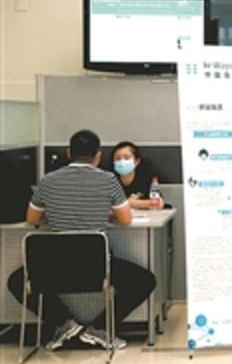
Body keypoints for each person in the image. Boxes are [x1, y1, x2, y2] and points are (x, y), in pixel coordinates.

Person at [7, 130, 156, 351]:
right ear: (97, 156)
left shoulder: (47, 181)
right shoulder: (108, 180)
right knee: (145, 281)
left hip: (53, 269)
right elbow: (125, 220)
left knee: (17, 281)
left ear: (69, 153)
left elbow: (32, 219)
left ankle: (64, 323)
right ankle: (99, 328)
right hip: (96, 269)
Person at [111, 141, 164, 210]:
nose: (122, 161)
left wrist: (131, 203)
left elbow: (159, 203)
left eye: (126, 158)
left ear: (137, 161)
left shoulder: (145, 179)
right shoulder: (109, 180)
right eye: (118, 159)